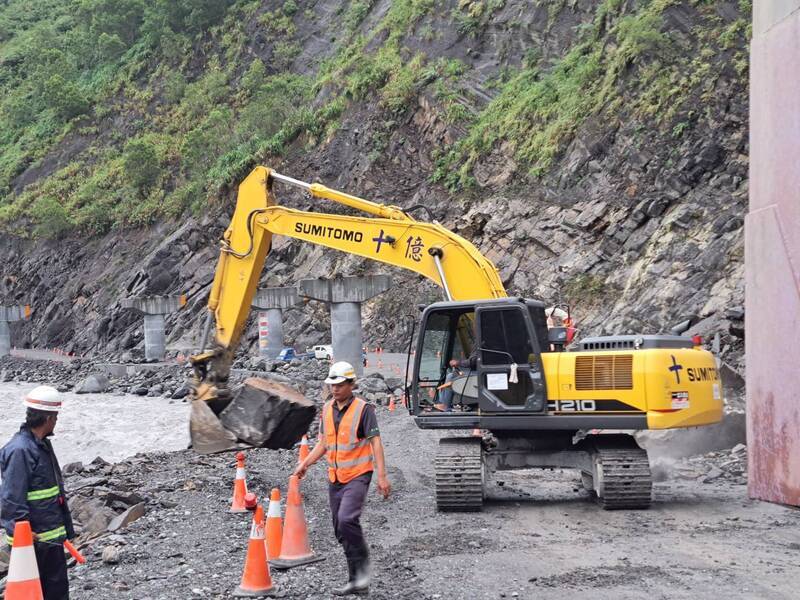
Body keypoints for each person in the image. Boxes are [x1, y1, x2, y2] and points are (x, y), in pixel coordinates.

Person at [293, 361, 391, 596]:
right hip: (335, 477)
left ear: (351, 384)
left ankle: (363, 566)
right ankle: (355, 580)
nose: (334, 389)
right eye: (332, 384)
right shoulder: (327, 409)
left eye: (339, 385)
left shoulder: (363, 409)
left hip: (358, 475)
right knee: (340, 529)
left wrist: (382, 476)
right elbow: (324, 443)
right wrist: (305, 463)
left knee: (347, 519)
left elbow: (375, 442)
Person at [0, 385, 75, 600]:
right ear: (49, 418)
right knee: (37, 593)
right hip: (33, 541)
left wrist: (64, 532)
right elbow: (11, 497)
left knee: (55, 590)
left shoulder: (39, 445)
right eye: (56, 417)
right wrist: (20, 530)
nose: (56, 422)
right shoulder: (21, 450)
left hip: (47, 538)